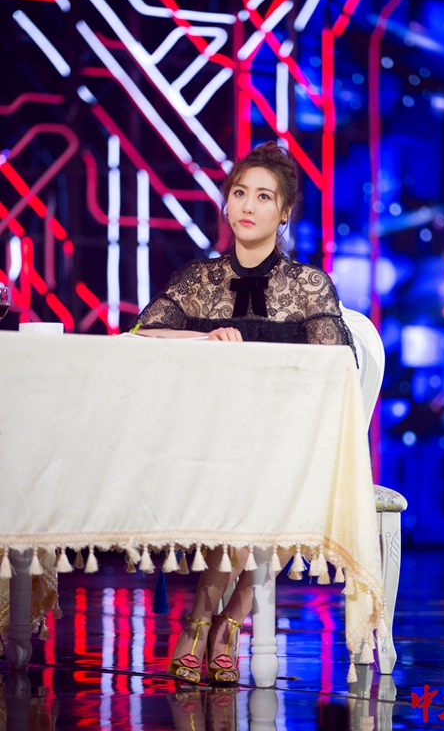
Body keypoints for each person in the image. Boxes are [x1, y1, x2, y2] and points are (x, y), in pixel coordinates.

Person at [129, 141, 357, 684]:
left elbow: (336, 365)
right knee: (244, 482)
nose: (248, 206)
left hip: (287, 444)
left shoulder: (307, 286)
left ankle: (213, 620)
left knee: (270, 480)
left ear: (284, 213)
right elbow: (140, 334)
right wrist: (203, 338)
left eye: (264, 196)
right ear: (227, 203)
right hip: (211, 442)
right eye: (239, 193)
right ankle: (222, 623)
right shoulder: (199, 280)